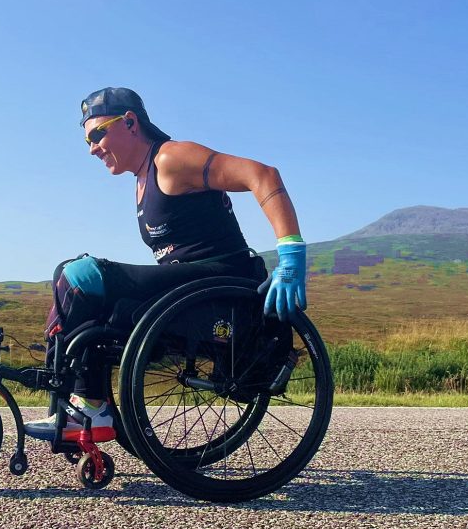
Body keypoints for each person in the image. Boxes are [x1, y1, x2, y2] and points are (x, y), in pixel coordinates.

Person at [23, 87, 307, 440]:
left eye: (97, 134)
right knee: (95, 308)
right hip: (188, 287)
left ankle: (88, 409)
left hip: (222, 283)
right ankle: (84, 407)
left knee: (80, 275)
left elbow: (263, 175)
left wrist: (291, 256)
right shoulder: (142, 180)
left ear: (129, 122)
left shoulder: (171, 158)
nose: (93, 148)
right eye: (87, 141)